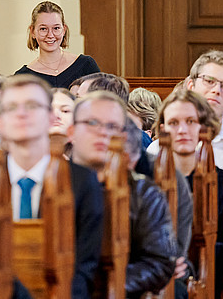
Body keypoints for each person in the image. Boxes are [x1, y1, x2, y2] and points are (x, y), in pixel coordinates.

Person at [0, 75, 104, 298]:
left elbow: (86, 265)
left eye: (32, 106)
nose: (22, 113)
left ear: (50, 118)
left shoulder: (82, 182)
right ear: (0, 121)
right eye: (11, 107)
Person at [147, 50, 223, 245]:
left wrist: (207, 261)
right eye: (209, 81)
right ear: (190, 85)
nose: (216, 90)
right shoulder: (157, 149)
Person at [67, 91, 177, 296]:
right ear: (71, 131)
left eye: (111, 126)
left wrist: (105, 285)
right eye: (92, 123)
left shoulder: (144, 193)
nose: (102, 132)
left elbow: (160, 263)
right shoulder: (50, 184)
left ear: (123, 136)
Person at [155, 89, 223, 296]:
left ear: (204, 127)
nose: (182, 130)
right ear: (163, 129)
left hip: (208, 284)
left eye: (191, 121)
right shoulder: (147, 182)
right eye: (174, 123)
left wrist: (190, 256)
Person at [14, 1, 100, 88]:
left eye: (56, 28)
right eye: (43, 29)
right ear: (32, 31)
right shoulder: (22, 77)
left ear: (64, 30)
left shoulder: (86, 65)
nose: (50, 35)